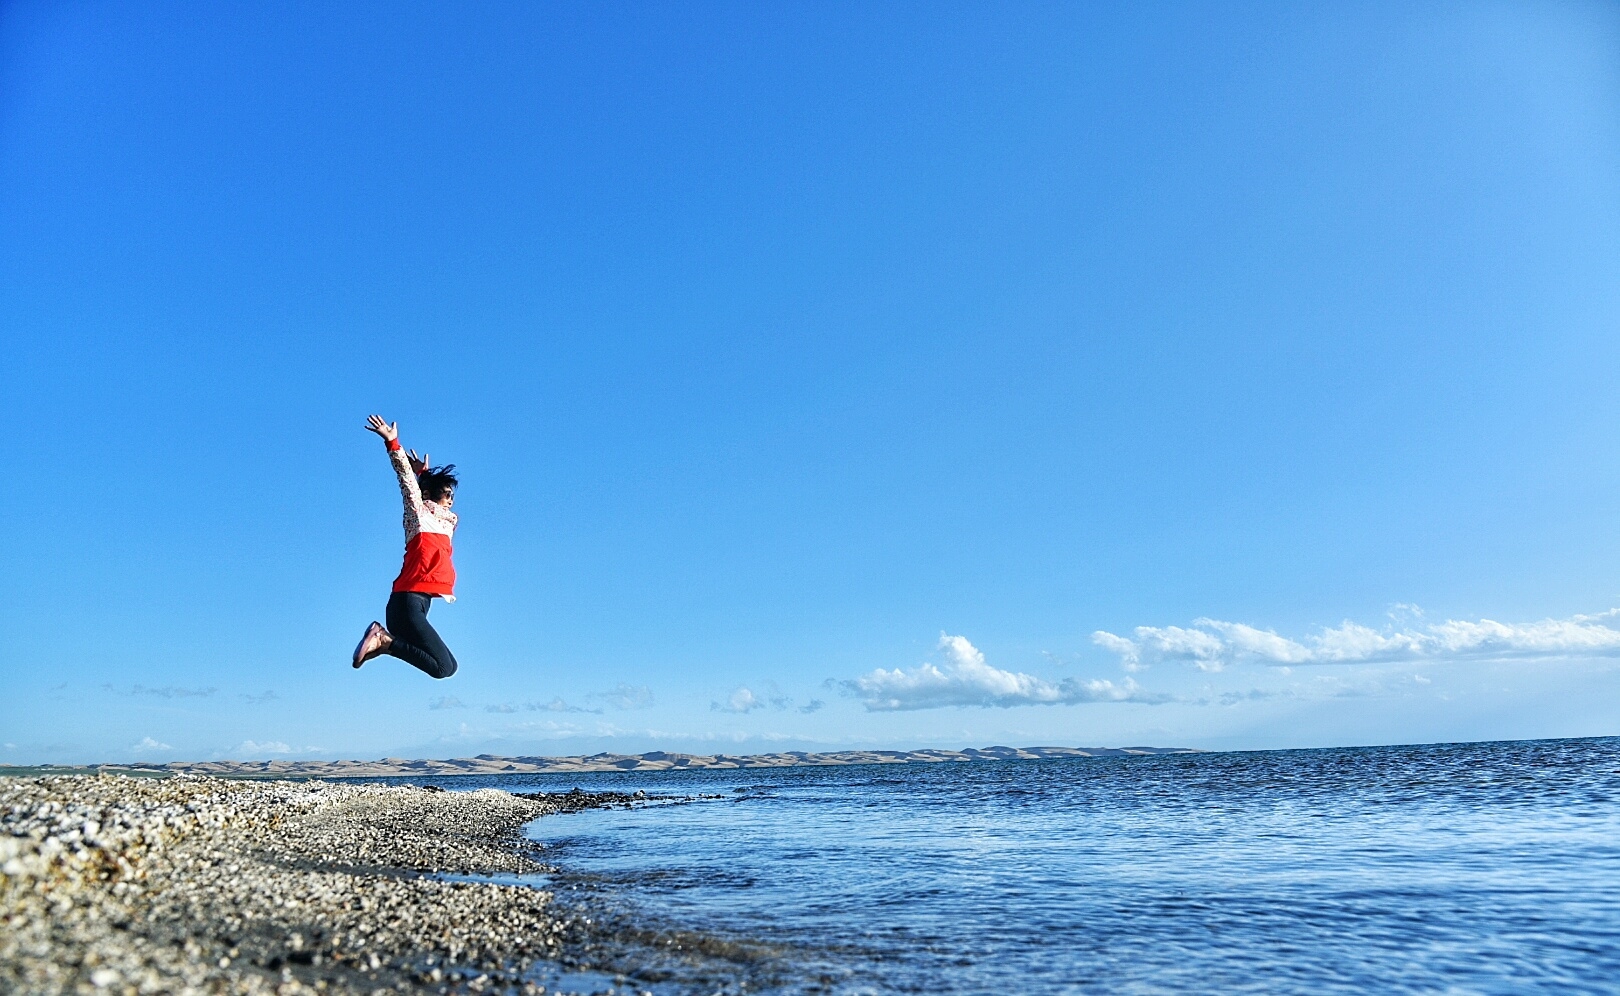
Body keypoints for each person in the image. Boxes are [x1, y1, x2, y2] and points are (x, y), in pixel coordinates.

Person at [352, 414, 461, 679]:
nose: (451, 499)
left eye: (452, 494)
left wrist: (424, 474)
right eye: (447, 494)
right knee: (443, 668)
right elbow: (407, 484)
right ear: (431, 495)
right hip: (406, 603)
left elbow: (425, 490)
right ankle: (384, 641)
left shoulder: (447, 522)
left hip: (419, 604)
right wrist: (393, 444)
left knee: (450, 667)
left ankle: (385, 643)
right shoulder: (418, 514)